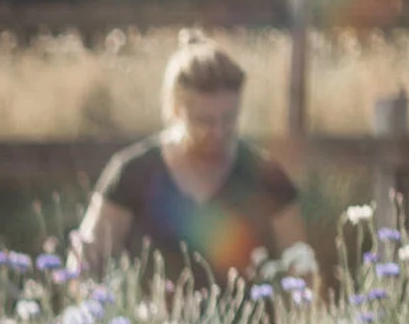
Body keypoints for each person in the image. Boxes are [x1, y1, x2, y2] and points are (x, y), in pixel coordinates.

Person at [68, 35, 309, 286]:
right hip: (150, 322)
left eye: (228, 118)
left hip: (251, 322)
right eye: (204, 121)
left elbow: (302, 267)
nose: (217, 131)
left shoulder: (265, 175)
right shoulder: (132, 172)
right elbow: (84, 266)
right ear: (175, 110)